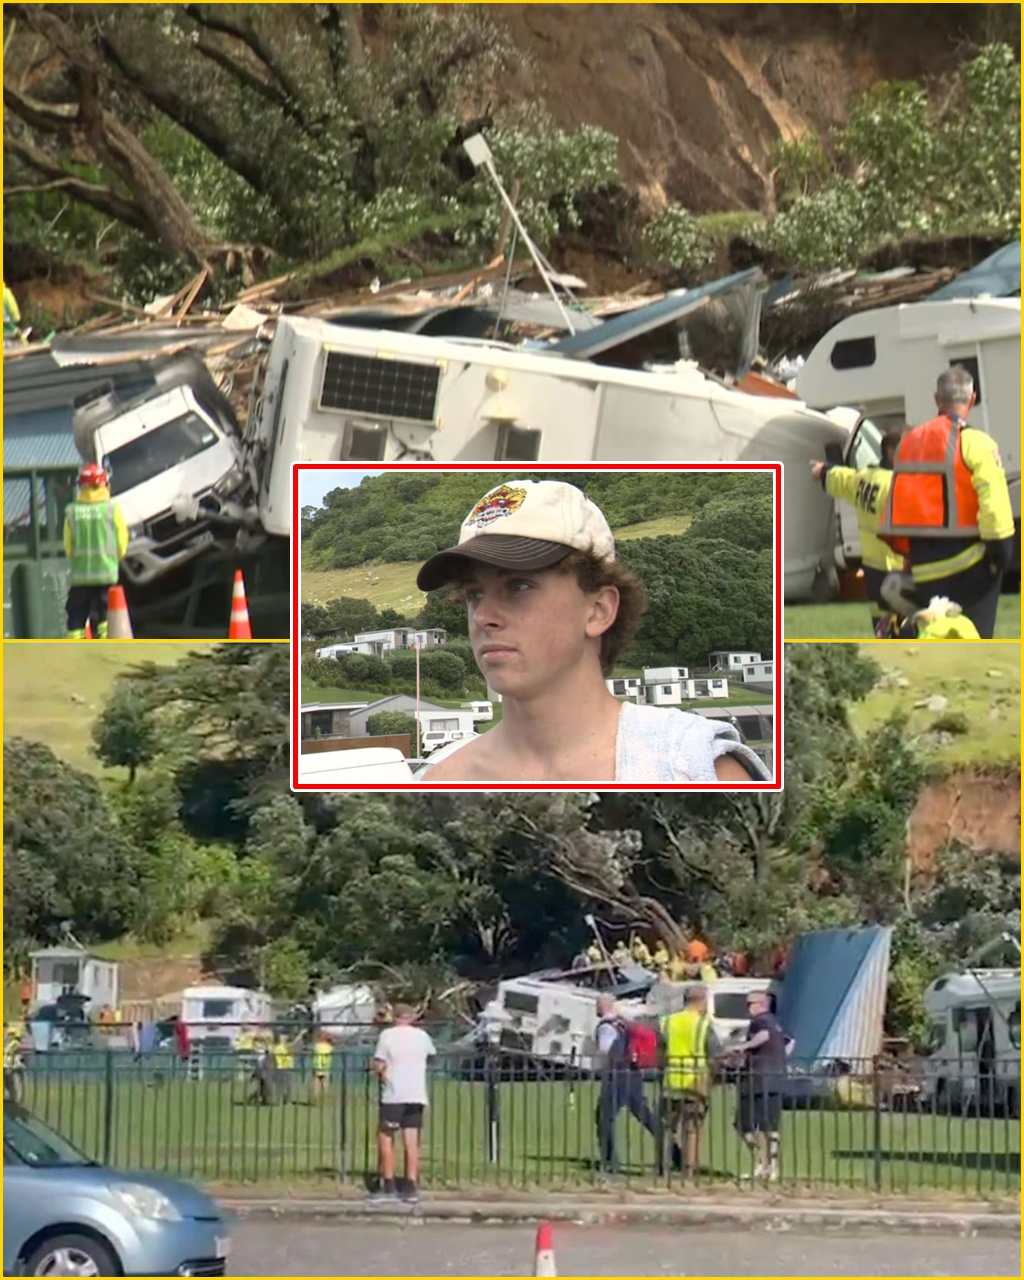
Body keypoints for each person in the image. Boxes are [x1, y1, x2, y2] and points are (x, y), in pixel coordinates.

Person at [415, 479, 769, 783]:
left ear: (599, 610)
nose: (483, 616)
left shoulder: (692, 766)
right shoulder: (439, 780)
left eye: (519, 587)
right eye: (473, 595)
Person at [877, 366, 1014, 639]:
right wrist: (1000, 559)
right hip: (970, 569)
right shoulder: (977, 443)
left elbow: (902, 506)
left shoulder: (908, 443)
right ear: (972, 399)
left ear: (937, 399)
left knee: (935, 634)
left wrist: (910, 562)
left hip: (924, 568)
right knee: (973, 638)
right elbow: (994, 512)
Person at [810, 428, 906, 636]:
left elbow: (842, 478)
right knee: (906, 626)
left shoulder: (866, 478)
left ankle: (883, 645)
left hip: (872, 569)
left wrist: (823, 469)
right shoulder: (898, 485)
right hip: (898, 567)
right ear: (893, 452)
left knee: (879, 620)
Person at [369, 1003, 436, 1204]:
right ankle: (410, 1185)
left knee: (386, 1137)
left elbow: (379, 1063)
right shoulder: (423, 1036)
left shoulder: (387, 1036)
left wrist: (377, 1071)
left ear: (395, 1017)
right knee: (411, 1139)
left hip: (394, 1094)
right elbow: (431, 1058)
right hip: (416, 1093)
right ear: (412, 1017)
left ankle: (388, 1183)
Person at [594, 994, 666, 1176]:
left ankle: (610, 1161)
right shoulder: (624, 1023)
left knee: (604, 1117)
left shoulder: (605, 1027)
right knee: (646, 1117)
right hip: (633, 1074)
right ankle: (675, 1153)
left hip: (616, 1076)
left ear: (602, 1007)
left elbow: (606, 1051)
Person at [729, 990, 791, 1182]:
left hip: (757, 1079)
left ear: (761, 1004)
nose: (747, 1008)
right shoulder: (776, 1022)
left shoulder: (761, 1020)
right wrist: (780, 1058)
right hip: (774, 1077)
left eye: (750, 1004)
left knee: (744, 1123)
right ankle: (771, 1168)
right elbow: (790, 1041)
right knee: (769, 1126)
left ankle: (760, 1163)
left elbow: (763, 1035)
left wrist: (744, 1046)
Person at [62, 463, 129, 639]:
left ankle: (74, 653)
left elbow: (68, 546)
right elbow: (122, 539)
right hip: (106, 573)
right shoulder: (111, 509)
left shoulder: (72, 512)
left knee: (76, 616)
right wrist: (115, 558)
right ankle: (104, 649)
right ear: (102, 483)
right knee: (105, 616)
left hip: (80, 577)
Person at [660, 985, 717, 1181]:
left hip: (671, 1081)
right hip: (696, 1084)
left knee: (667, 1128)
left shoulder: (668, 1022)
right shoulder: (703, 1024)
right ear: (701, 1001)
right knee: (692, 1129)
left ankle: (664, 1167)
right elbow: (714, 1052)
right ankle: (689, 1171)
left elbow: (660, 1049)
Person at [311, 1030, 333, 1102]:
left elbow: (312, 1054)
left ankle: (316, 1098)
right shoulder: (329, 1047)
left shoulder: (316, 1046)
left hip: (317, 1065)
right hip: (326, 1065)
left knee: (317, 1083)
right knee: (325, 1082)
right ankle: (323, 1097)